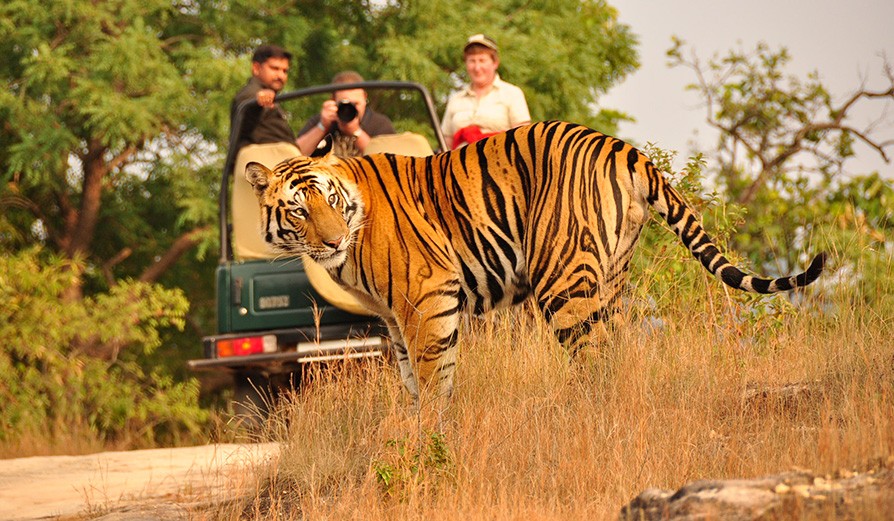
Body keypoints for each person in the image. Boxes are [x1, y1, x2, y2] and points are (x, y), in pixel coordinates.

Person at [441, 34, 531, 149]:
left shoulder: (512, 94)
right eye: (472, 61)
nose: (477, 68)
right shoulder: (455, 99)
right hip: (458, 163)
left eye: (482, 60)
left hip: (500, 163)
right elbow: (445, 145)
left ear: (495, 63)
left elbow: (523, 141)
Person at [296, 71, 395, 157]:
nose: (350, 109)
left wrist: (356, 132)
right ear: (333, 100)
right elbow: (295, 155)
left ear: (365, 98)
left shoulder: (380, 124)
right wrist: (322, 127)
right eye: (344, 104)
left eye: (355, 104)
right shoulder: (322, 121)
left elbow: (388, 162)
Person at [230, 45, 299, 152]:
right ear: (256, 68)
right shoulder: (250, 94)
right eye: (274, 68)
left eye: (285, 71)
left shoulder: (271, 97)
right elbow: (246, 119)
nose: (281, 75)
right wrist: (258, 102)